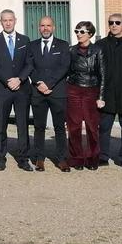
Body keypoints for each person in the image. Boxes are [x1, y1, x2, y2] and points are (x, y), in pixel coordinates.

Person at [0, 9, 33, 172]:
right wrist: (8, 80)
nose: (8, 23)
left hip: (22, 89)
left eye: (10, 20)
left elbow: (29, 63)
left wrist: (19, 79)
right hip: (2, 89)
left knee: (22, 124)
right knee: (1, 124)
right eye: (4, 20)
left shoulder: (25, 40)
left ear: (15, 20)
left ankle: (23, 158)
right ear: (0, 22)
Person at [28, 16, 70, 171]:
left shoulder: (63, 45)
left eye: (48, 25)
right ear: (39, 28)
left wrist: (50, 84)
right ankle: (39, 158)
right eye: (42, 25)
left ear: (54, 27)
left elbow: (64, 67)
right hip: (38, 92)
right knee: (39, 126)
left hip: (57, 91)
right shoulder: (32, 46)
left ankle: (61, 159)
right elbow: (29, 66)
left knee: (59, 127)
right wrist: (39, 83)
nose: (45, 28)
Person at [97, 14, 122, 169]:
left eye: (117, 23)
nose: (114, 25)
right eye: (111, 23)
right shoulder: (100, 45)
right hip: (106, 94)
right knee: (104, 128)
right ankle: (103, 156)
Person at [66, 21, 105, 170]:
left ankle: (92, 158)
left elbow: (103, 74)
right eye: (77, 31)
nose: (78, 34)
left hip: (91, 90)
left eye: (81, 32)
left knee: (92, 127)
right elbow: (67, 72)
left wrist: (101, 96)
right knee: (74, 126)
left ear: (90, 34)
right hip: (74, 90)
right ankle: (77, 158)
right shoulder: (71, 50)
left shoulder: (98, 50)